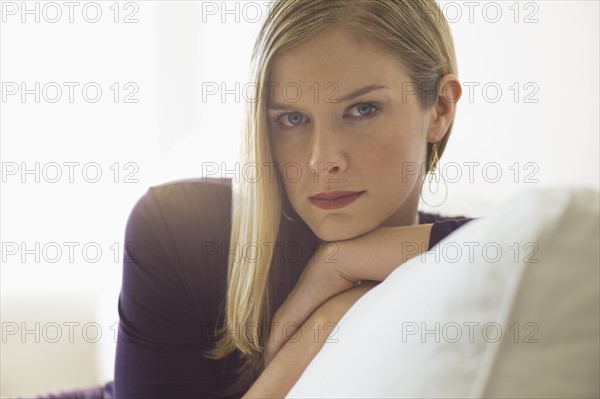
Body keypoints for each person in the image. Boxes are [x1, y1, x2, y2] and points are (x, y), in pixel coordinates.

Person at [34, 0, 474, 398]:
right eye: (292, 119)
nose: (322, 161)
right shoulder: (179, 229)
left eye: (362, 110)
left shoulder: (473, 261)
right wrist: (317, 332)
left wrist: (337, 279)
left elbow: (538, 242)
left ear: (439, 109)